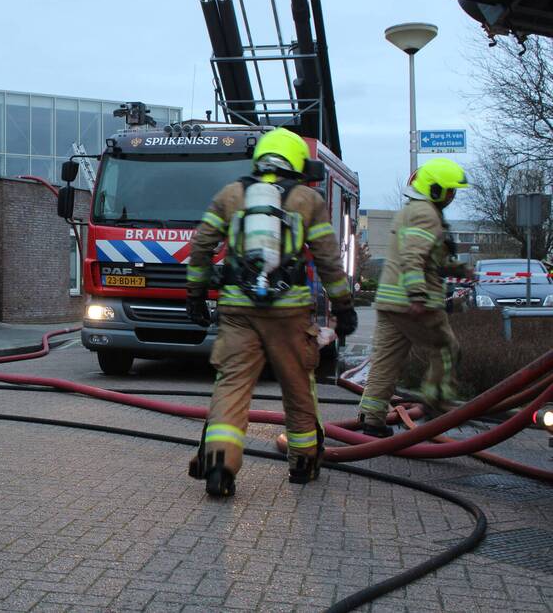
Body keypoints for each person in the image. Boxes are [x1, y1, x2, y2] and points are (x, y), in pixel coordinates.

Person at [185, 127, 357, 497]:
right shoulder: (308, 199)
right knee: (297, 386)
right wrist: (343, 306)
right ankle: (304, 462)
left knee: (231, 385)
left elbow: (200, 246)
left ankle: (219, 464)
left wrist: (196, 294)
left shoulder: (231, 194)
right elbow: (328, 258)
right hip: (289, 312)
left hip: (237, 309)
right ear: (295, 162)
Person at [357, 158, 471, 437]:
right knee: (446, 349)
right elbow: (414, 257)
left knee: (386, 360)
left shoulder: (409, 212)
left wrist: (458, 269)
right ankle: (436, 408)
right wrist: (418, 295)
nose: (452, 197)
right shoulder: (426, 214)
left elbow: (426, 256)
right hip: (412, 303)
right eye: (449, 191)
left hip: (390, 302)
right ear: (434, 190)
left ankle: (371, 418)